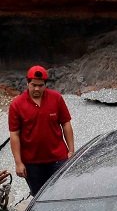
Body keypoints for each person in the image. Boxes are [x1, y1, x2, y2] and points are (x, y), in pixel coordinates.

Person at [7, 66, 74, 197]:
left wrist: (71, 150)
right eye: (33, 85)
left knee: (62, 193)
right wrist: (18, 162)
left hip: (58, 158)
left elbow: (66, 123)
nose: (37, 88)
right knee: (39, 197)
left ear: (45, 84)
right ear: (27, 83)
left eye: (40, 85)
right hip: (32, 163)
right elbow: (14, 134)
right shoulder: (17, 104)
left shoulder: (56, 98)